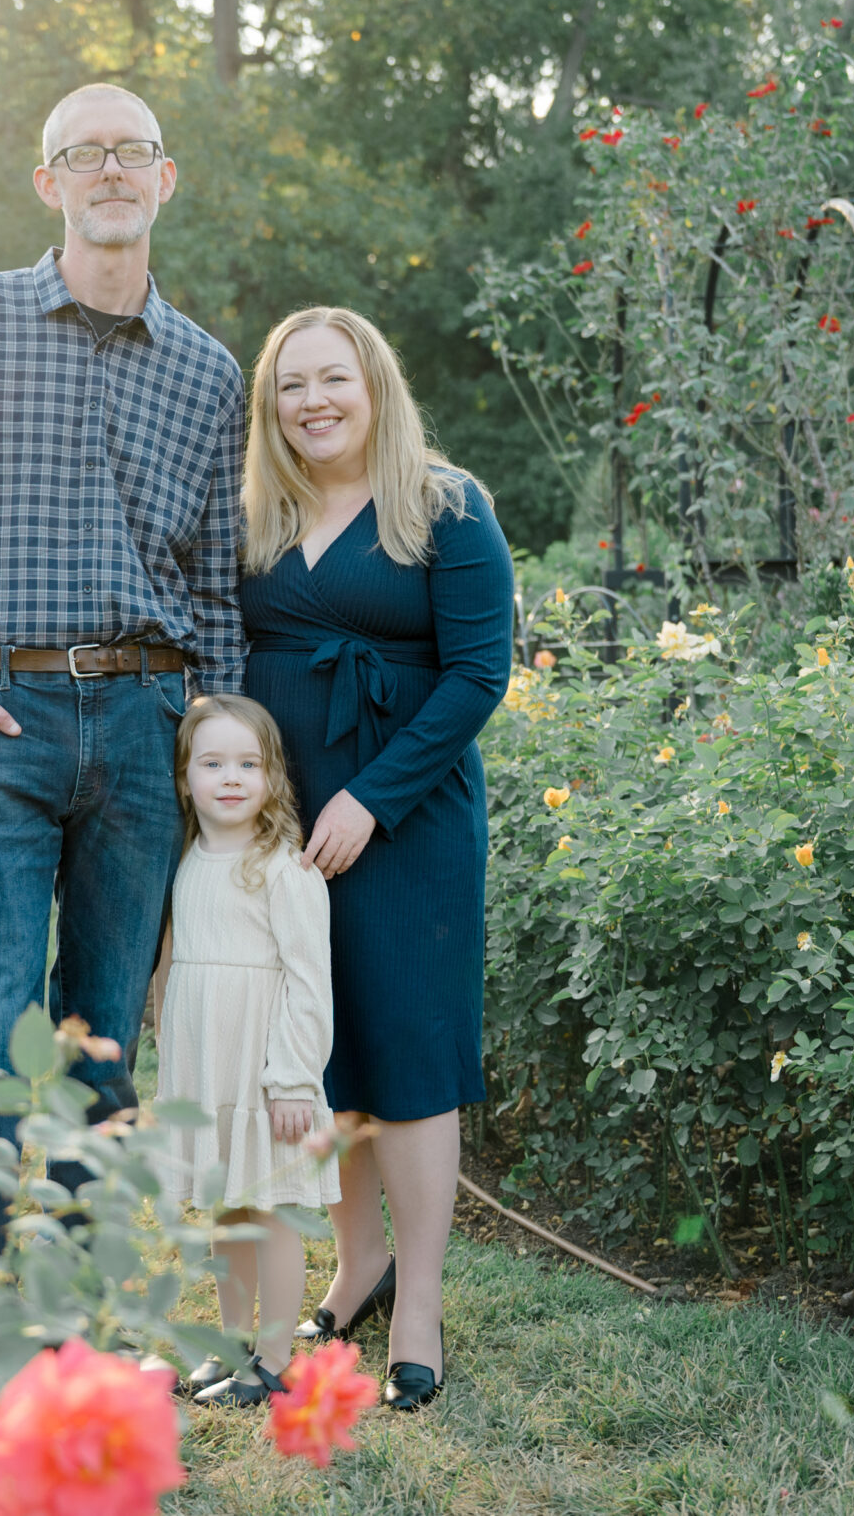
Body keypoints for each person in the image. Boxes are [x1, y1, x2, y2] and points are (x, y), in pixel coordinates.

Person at [0, 84, 249, 1262]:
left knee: (104, 1035)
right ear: (50, 184)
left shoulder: (207, 374)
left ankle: (77, 1321)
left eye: (134, 154)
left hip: (143, 725)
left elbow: (214, 582)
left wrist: (208, 737)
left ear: (166, 180)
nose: (112, 171)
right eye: (86, 154)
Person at [236, 306, 514, 1411]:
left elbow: (476, 676)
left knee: (407, 1051)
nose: (312, 402)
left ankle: (422, 1304)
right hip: (283, 826)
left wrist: (370, 800)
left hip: (403, 822)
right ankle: (355, 1269)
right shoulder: (260, 509)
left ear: (374, 386)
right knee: (321, 1046)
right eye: (290, 386)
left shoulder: (444, 506)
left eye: (332, 380)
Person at [149, 694, 338, 1406]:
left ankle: (275, 1357)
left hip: (268, 1077)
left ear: (272, 777)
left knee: (273, 1211)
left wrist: (293, 1078)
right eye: (212, 762)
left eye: (248, 763)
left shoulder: (284, 866)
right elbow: (172, 968)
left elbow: (308, 981)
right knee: (226, 1211)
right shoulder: (185, 858)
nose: (230, 777)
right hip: (208, 1071)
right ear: (185, 775)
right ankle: (228, 1344)